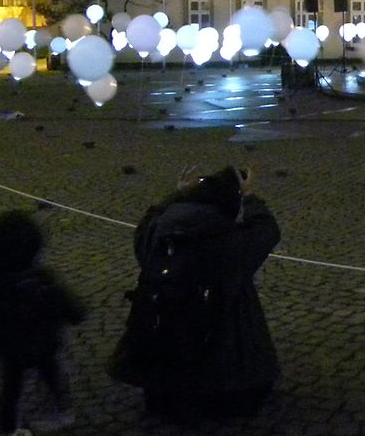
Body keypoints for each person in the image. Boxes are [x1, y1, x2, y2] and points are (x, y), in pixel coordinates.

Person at [109, 165, 281, 421]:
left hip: (161, 328)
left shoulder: (159, 230)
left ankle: (164, 396)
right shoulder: (228, 239)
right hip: (217, 336)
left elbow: (147, 221)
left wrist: (177, 194)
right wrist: (250, 197)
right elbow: (267, 230)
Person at [0, 210, 86, 436]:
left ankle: (10, 428)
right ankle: (60, 407)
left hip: (9, 343)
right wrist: (73, 313)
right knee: (46, 371)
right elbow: (66, 305)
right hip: (39, 341)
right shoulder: (37, 279)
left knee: (13, 384)